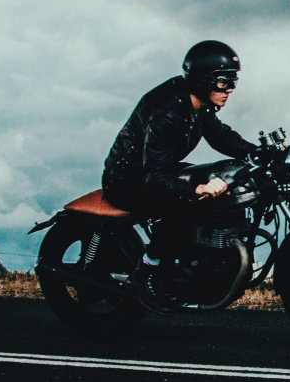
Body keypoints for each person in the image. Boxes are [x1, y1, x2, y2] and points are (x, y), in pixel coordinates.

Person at [101, 40, 258, 310]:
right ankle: (148, 269)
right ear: (202, 80)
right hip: (127, 177)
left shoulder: (199, 104)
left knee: (218, 188)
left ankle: (200, 263)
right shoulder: (167, 110)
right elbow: (154, 175)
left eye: (233, 80)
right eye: (223, 81)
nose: (230, 88)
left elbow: (222, 137)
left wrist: (258, 153)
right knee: (183, 201)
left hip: (157, 167)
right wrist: (195, 190)